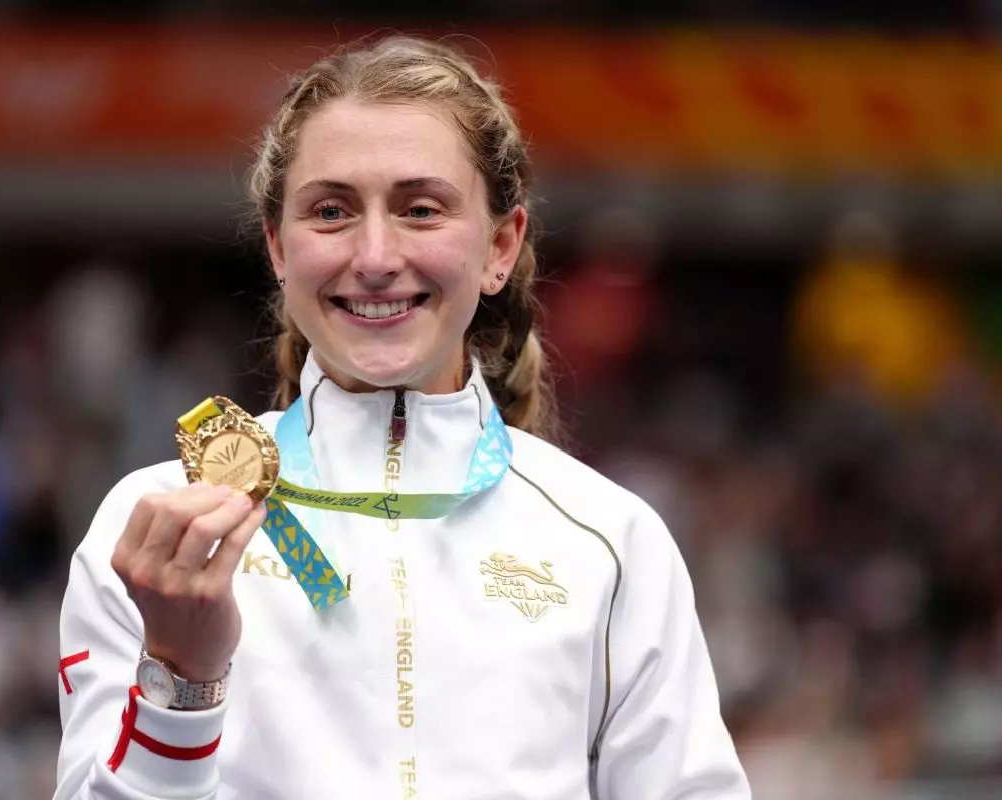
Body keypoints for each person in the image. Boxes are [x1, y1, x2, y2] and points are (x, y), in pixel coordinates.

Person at [53, 35, 750, 800]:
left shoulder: (611, 542)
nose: (377, 255)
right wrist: (181, 677)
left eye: (421, 210)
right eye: (331, 211)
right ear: (278, 247)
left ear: (501, 247)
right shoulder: (158, 530)